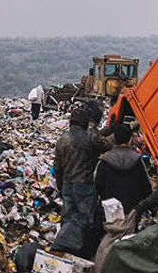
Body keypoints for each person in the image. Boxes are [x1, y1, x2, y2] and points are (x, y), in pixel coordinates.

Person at [51, 107, 112, 259]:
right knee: (86, 219)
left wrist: (60, 186)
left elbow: (57, 168)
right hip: (84, 185)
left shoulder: (62, 140)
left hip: (67, 185)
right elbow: (107, 146)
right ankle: (85, 252)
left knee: (68, 219)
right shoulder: (89, 137)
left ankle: (67, 250)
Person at [93, 123, 152, 217]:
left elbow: (97, 186)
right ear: (130, 139)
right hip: (133, 210)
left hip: (110, 210)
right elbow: (146, 186)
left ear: (115, 140)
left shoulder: (105, 160)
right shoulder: (137, 160)